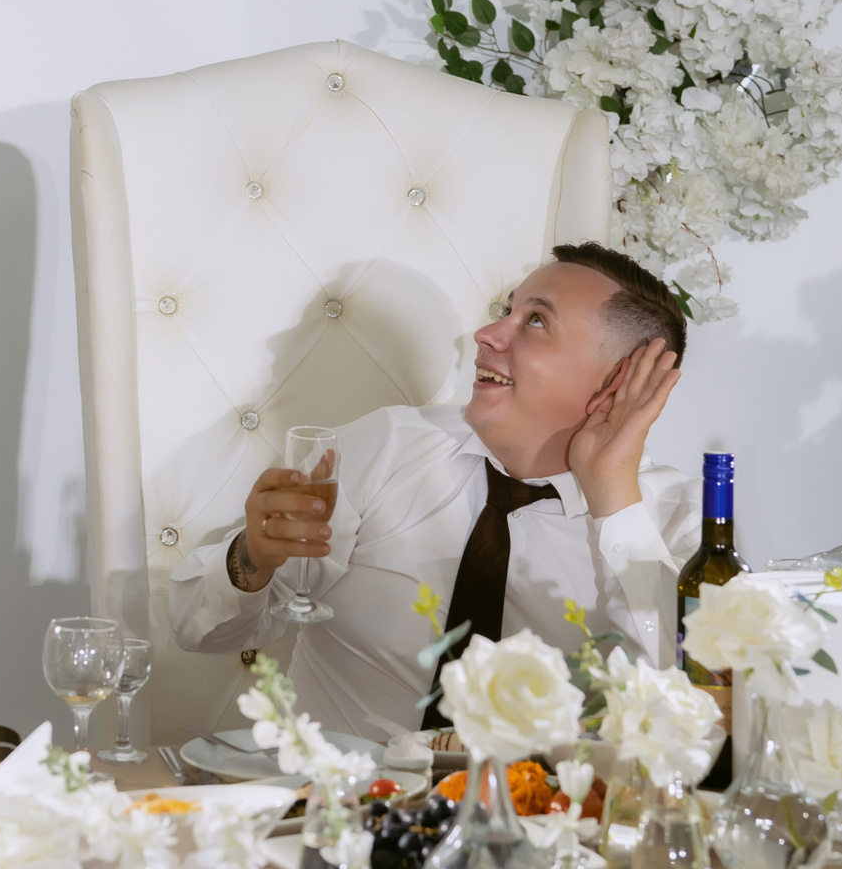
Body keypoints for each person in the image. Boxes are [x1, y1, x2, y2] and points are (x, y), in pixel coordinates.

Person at [169, 242, 697, 738]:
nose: (486, 334)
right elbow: (197, 631)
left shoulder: (677, 520)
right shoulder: (386, 447)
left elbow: (680, 715)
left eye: (535, 321)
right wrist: (253, 558)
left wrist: (613, 494)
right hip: (332, 796)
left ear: (620, 380)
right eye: (507, 311)